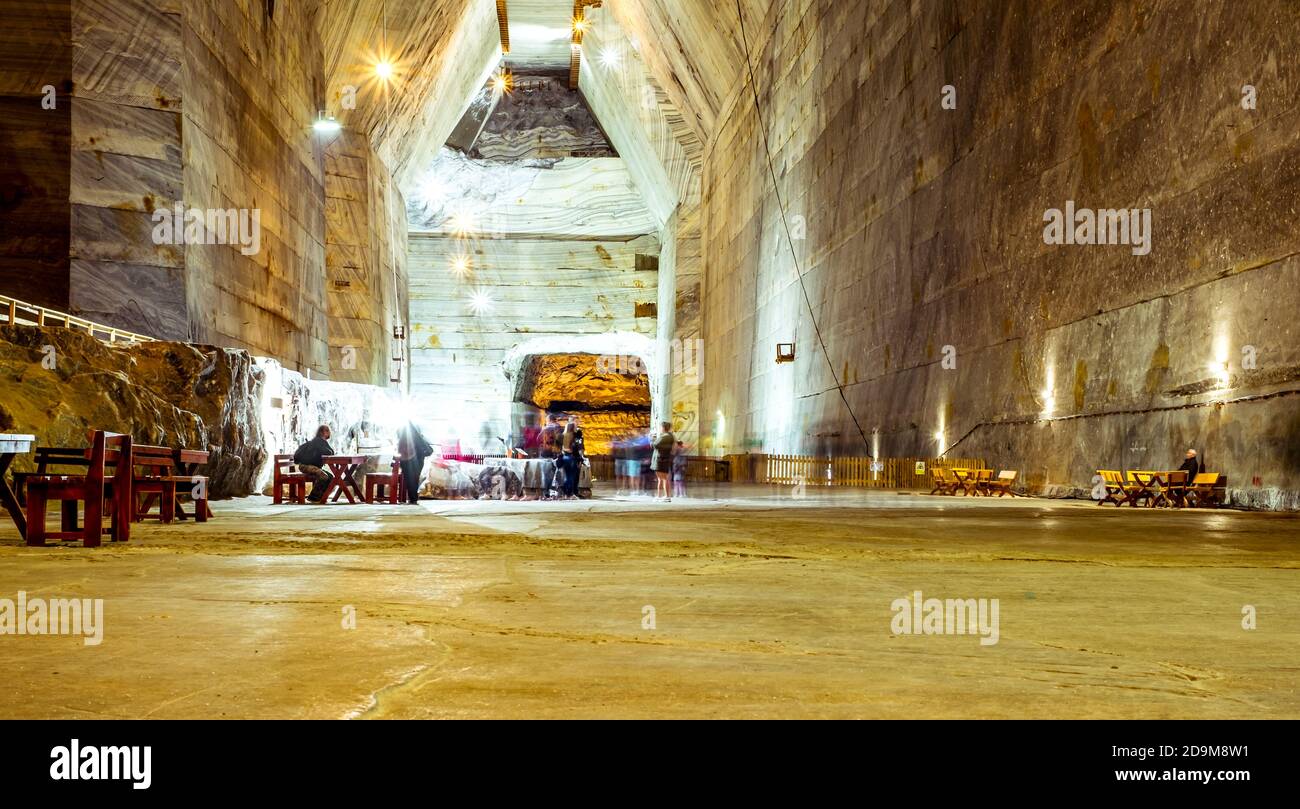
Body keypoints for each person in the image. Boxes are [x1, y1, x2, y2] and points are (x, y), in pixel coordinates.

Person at [294, 425, 335, 503]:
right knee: (324, 476)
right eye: (328, 431)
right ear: (323, 432)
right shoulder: (318, 441)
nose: (329, 433)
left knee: (331, 477)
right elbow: (328, 452)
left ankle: (321, 496)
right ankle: (313, 497)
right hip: (306, 466)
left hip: (312, 466)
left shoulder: (321, 441)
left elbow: (330, 452)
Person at [397, 422, 434, 505]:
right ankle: (413, 498)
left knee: (410, 479)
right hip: (417, 458)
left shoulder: (405, 435)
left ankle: (413, 498)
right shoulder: (415, 436)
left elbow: (401, 449)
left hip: (411, 459)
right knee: (414, 478)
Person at [651, 422, 675, 501]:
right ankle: (659, 496)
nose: (659, 429)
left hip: (661, 459)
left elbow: (655, 445)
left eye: (660, 427)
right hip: (662, 458)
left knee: (663, 478)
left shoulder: (666, 436)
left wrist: (653, 438)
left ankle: (667, 496)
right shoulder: (668, 436)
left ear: (663, 428)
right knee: (660, 479)